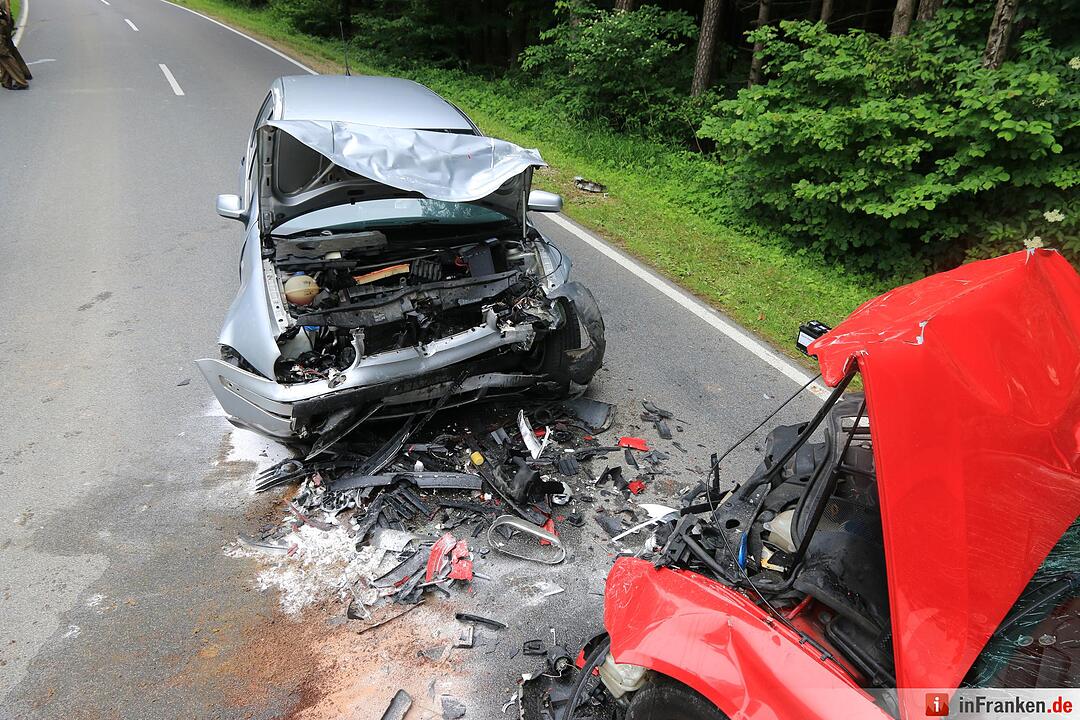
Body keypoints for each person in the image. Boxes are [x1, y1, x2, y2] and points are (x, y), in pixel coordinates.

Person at [0, 0, 31, 90]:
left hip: (2, 24)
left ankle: (21, 81)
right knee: (4, 54)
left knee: (4, 55)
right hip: (5, 23)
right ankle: (6, 80)